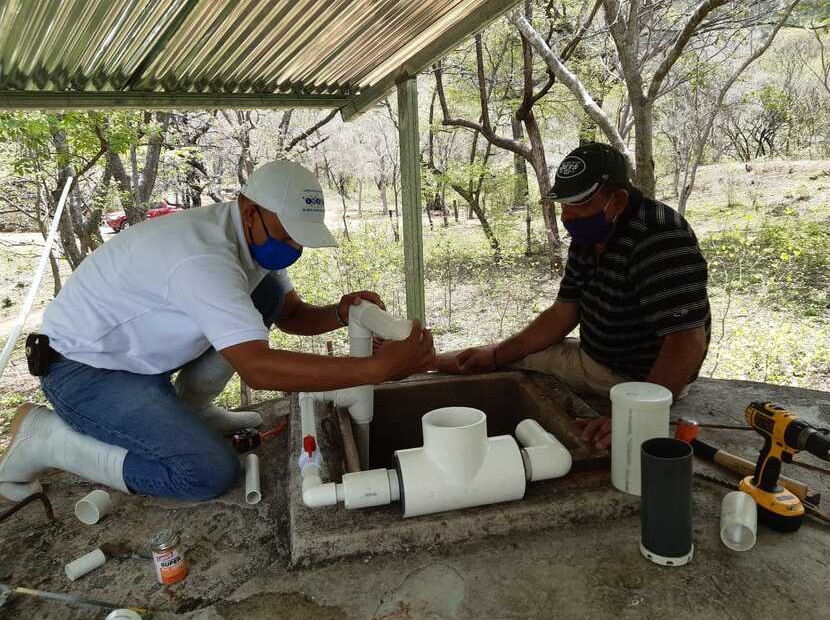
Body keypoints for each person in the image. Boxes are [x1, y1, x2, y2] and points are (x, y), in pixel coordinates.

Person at [0, 161, 434, 502]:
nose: (294, 249)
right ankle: (48, 441)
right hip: (85, 370)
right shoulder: (204, 259)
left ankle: (190, 410)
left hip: (135, 355)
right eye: (288, 236)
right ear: (250, 211)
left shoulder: (243, 237)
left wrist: (340, 313)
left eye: (301, 239)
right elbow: (259, 370)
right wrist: (373, 370)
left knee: (264, 295)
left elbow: (291, 315)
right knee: (207, 473)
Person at [441, 143, 710, 449]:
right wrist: (498, 354)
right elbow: (564, 312)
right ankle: (420, 362)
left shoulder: (660, 237)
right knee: (500, 355)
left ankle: (419, 362)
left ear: (618, 200)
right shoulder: (592, 234)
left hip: (637, 379)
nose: (569, 216)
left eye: (580, 205)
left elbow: (687, 341)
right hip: (597, 360)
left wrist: (637, 413)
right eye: (564, 205)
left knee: (511, 359)